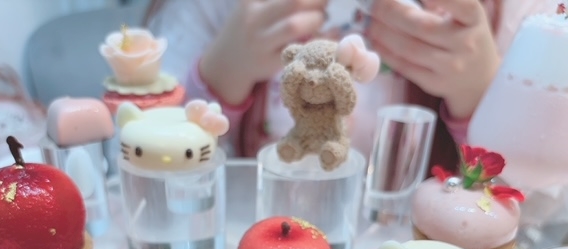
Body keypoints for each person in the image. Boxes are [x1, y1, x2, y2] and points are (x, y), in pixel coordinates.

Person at [144, 0, 546, 171]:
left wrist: (481, 96)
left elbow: (540, 202)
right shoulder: (212, 8)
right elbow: (141, 158)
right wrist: (219, 75)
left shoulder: (522, 18)